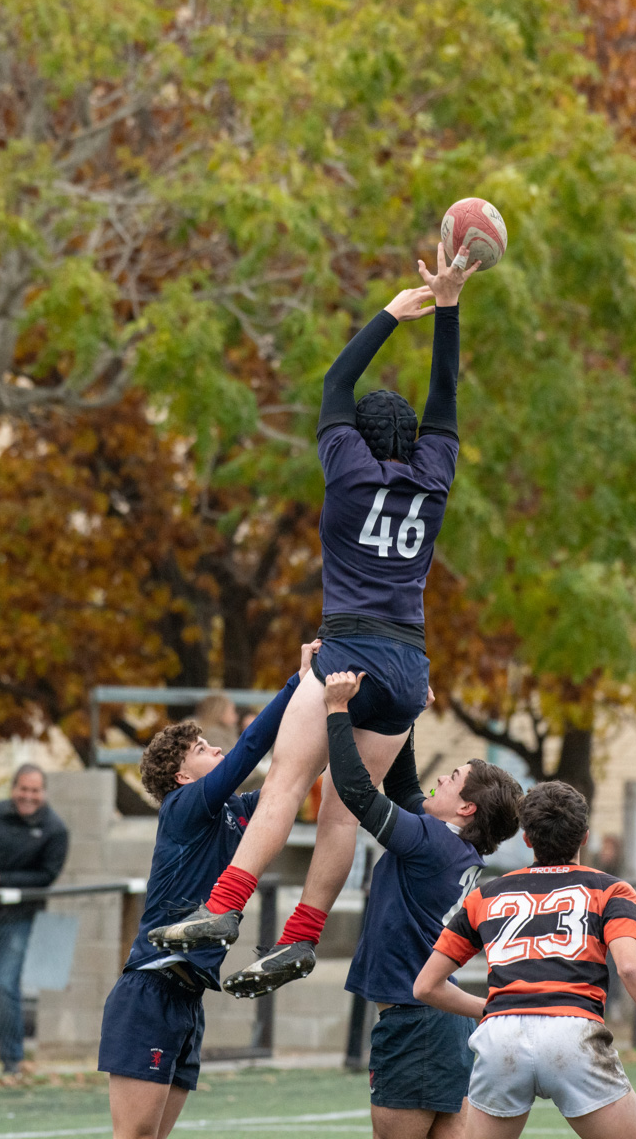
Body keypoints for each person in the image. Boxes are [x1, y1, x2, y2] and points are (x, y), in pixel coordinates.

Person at [149, 245, 480, 998]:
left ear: (358, 438)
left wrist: (394, 314)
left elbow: (336, 381)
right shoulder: (434, 476)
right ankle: (303, 937)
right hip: (408, 671)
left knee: (286, 784)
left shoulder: (347, 464)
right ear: (418, 444)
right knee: (343, 811)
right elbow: (446, 399)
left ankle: (224, 910)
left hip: (348, 653)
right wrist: (452, 309)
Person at [99, 641, 315, 1139]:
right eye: (202, 750)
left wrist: (341, 709)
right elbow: (249, 749)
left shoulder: (234, 812)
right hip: (150, 989)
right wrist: (298, 681)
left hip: (189, 997)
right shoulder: (183, 807)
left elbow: (297, 772)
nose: (216, 750)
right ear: (181, 776)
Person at [414, 781, 636, 1139]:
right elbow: (631, 968)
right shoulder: (610, 890)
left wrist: (495, 1009)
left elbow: (426, 986)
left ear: (527, 839)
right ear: (585, 837)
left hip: (501, 1039)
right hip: (572, 1033)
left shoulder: (485, 895)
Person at [315, 670, 523, 1137]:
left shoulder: (431, 843)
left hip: (415, 1027)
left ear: (466, 808)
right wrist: (406, 713)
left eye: (451, 779)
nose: (440, 782)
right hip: (440, 1026)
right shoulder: (451, 844)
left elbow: (356, 789)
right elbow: (404, 786)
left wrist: (336, 711)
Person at [0, 763, 70, 1074]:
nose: (28, 796)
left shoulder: (54, 829)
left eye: (35, 790)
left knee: (6, 986)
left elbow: (46, 876)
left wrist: (0, 879)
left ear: (43, 793)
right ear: (13, 789)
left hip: (19, 919)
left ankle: (12, 1058)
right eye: (23, 788)